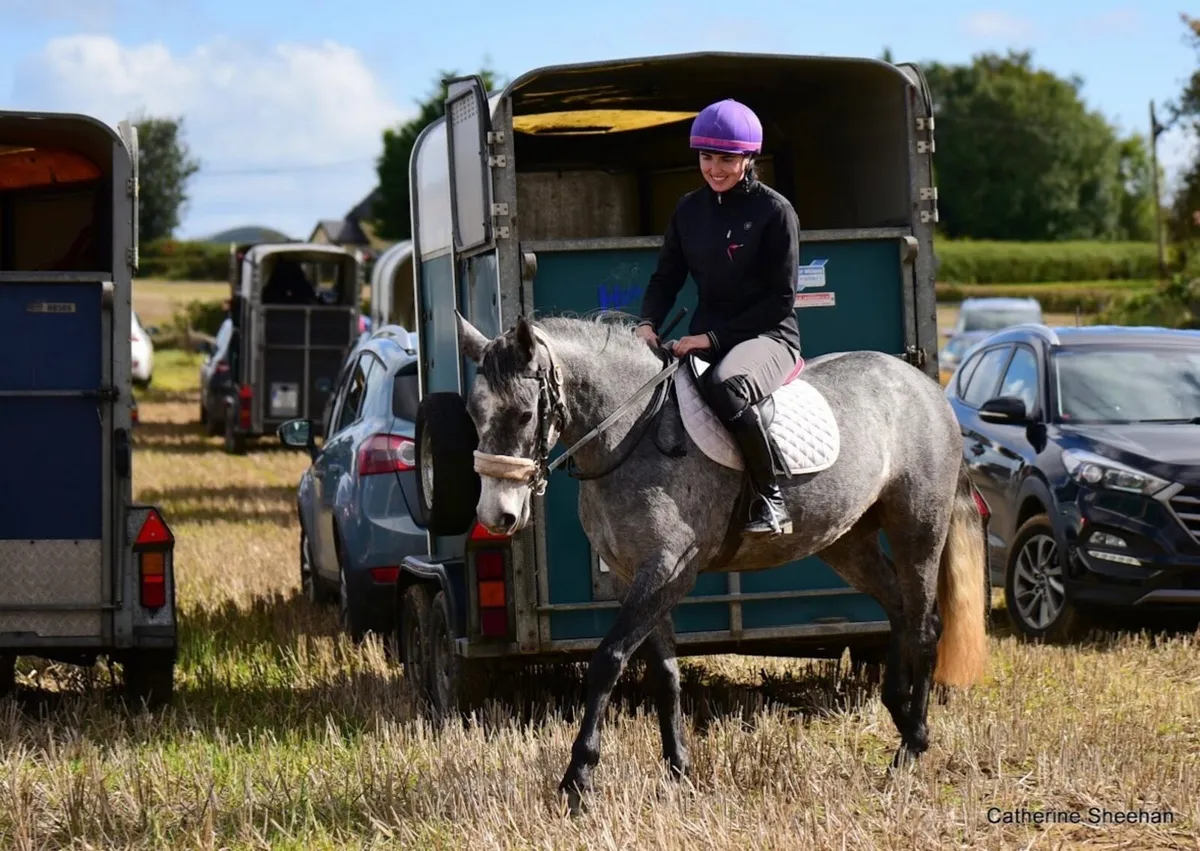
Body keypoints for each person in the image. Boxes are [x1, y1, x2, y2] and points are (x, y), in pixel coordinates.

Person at [635, 98, 801, 536]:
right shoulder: (689, 209)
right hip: (706, 335)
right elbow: (666, 276)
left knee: (725, 387)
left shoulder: (776, 212)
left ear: (748, 158)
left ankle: (772, 497)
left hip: (768, 336)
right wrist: (647, 321)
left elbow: (780, 301)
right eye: (707, 157)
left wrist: (710, 339)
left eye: (727, 158)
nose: (715, 169)